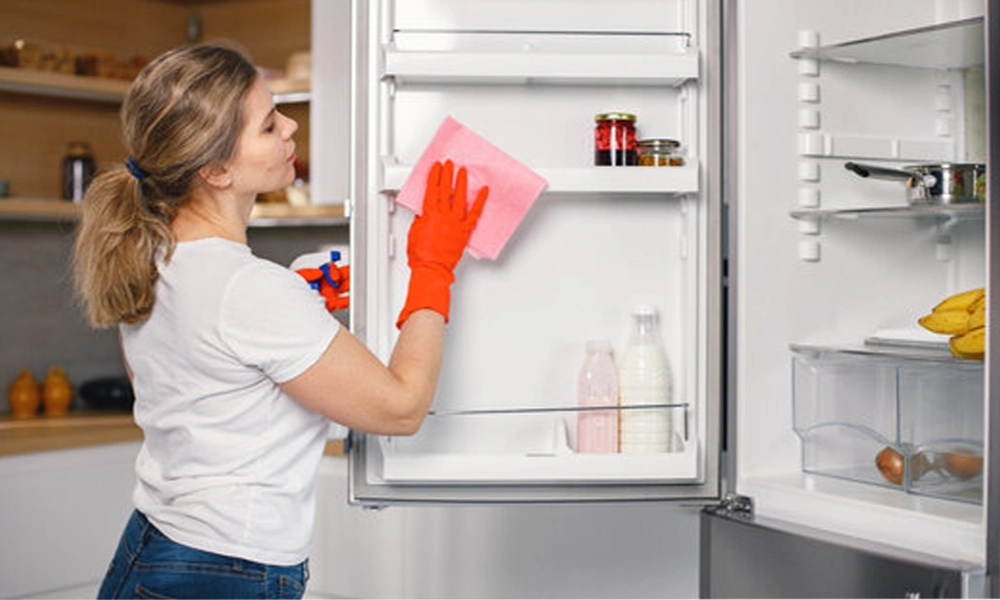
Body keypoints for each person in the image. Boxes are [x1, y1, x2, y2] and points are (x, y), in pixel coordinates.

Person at [72, 41, 488, 599]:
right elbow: (401, 406)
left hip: (152, 548)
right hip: (225, 570)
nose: (291, 127)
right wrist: (432, 267)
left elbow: (204, 380)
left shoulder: (151, 260)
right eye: (269, 126)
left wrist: (295, 296)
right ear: (216, 168)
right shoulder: (248, 291)